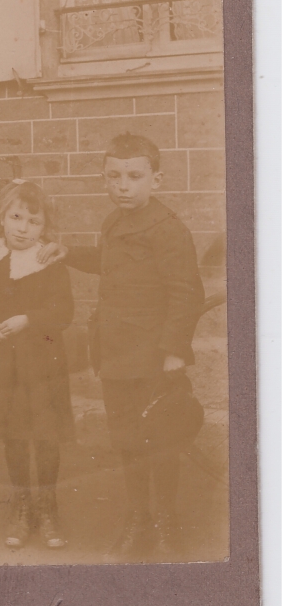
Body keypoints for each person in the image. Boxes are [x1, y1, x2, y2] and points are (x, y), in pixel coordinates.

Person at [38, 133, 205, 560]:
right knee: (127, 441)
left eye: (134, 176)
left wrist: (172, 354)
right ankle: (138, 518)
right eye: (113, 176)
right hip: (115, 355)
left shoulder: (168, 230)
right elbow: (109, 263)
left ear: (157, 179)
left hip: (153, 358)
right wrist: (68, 252)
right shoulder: (113, 223)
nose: (123, 186)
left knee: (162, 440)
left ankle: (166, 521)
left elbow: (187, 294)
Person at [0, 181, 75, 549]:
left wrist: (29, 318)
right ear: (2, 218)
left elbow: (64, 311)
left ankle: (47, 503)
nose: (23, 228)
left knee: (44, 435)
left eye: (33, 221)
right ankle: (22, 501)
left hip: (41, 362)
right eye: (16, 218)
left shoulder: (48, 260)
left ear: (45, 228)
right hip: (2, 364)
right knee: (13, 433)